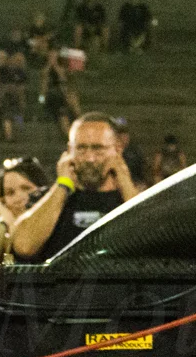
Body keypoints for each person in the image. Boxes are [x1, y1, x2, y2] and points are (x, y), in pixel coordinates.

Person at [10, 112, 140, 263]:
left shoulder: (131, 198)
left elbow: (152, 241)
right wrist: (62, 185)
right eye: (81, 148)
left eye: (98, 148)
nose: (89, 158)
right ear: (69, 151)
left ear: (117, 149)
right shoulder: (46, 199)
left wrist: (125, 183)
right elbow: (24, 247)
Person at [40, 47, 81, 135]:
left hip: (63, 95)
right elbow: (43, 87)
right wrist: (41, 100)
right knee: (63, 115)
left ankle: (79, 117)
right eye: (51, 56)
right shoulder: (46, 70)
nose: (53, 58)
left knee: (72, 97)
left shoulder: (62, 69)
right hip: (53, 97)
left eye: (54, 56)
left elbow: (63, 80)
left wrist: (55, 66)